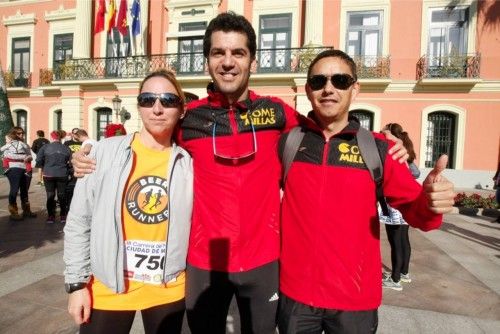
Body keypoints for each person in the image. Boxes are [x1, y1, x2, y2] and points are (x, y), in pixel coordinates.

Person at [71, 12, 408, 333]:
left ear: (252, 61)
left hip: (263, 265)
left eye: (238, 52)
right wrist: (92, 154)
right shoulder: (189, 120)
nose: (228, 61)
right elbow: (150, 141)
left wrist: (383, 143)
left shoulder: (277, 113)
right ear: (208, 61)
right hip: (204, 264)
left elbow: (326, 133)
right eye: (219, 52)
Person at [277, 49, 455, 333]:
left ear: (355, 89)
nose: (329, 88)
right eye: (319, 80)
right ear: (309, 89)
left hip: (354, 300)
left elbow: (416, 211)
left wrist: (431, 202)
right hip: (296, 296)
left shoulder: (378, 148)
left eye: (340, 81)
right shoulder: (288, 143)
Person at [63, 69, 193, 334]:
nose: (157, 108)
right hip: (109, 286)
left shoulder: (189, 162)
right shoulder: (103, 152)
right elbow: (79, 221)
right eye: (148, 99)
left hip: (168, 287)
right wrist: (76, 285)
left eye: (168, 100)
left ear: (181, 109)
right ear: (139, 106)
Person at [379, 122, 421, 291]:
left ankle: (395, 279)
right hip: (405, 203)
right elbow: (415, 172)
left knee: (396, 241)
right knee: (403, 240)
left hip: (395, 204)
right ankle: (403, 273)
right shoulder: (404, 151)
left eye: (385, 134)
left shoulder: (394, 152)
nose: (382, 137)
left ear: (394, 137)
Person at [36, 130, 72, 224]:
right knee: (62, 195)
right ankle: (63, 215)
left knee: (50, 195)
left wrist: (45, 165)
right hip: (62, 173)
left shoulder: (45, 147)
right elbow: (71, 162)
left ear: (52, 138)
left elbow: (38, 160)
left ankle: (51, 216)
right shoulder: (66, 148)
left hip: (49, 173)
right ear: (61, 138)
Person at [1, 126, 37, 220]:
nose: (21, 135)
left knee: (24, 190)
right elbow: (5, 155)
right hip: (13, 169)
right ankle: (14, 212)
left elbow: (31, 156)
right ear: (13, 134)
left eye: (22, 133)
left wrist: (28, 157)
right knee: (14, 189)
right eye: (18, 133)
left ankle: (26, 211)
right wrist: (22, 157)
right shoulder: (8, 145)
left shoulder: (24, 145)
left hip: (25, 168)